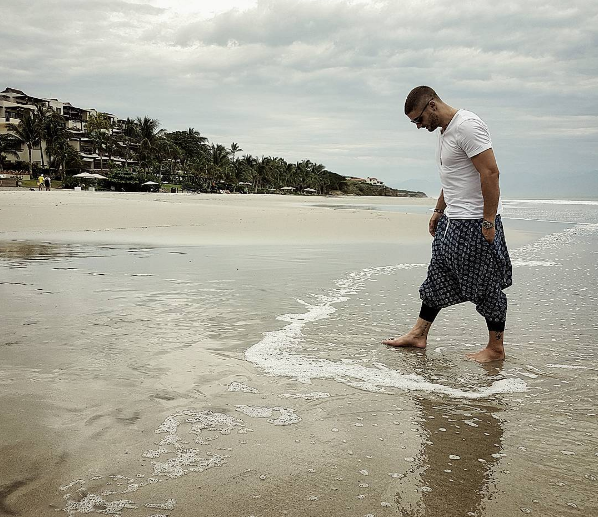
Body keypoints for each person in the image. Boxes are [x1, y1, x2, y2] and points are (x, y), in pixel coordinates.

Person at [382, 86, 512, 363]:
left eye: (418, 119)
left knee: (484, 284)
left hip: (474, 222)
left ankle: (495, 348)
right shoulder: (446, 131)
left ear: (432, 105)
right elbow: (453, 177)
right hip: (452, 221)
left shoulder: (467, 126)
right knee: (438, 276)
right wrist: (439, 210)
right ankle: (418, 334)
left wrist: (488, 221)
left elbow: (490, 173)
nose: (419, 126)